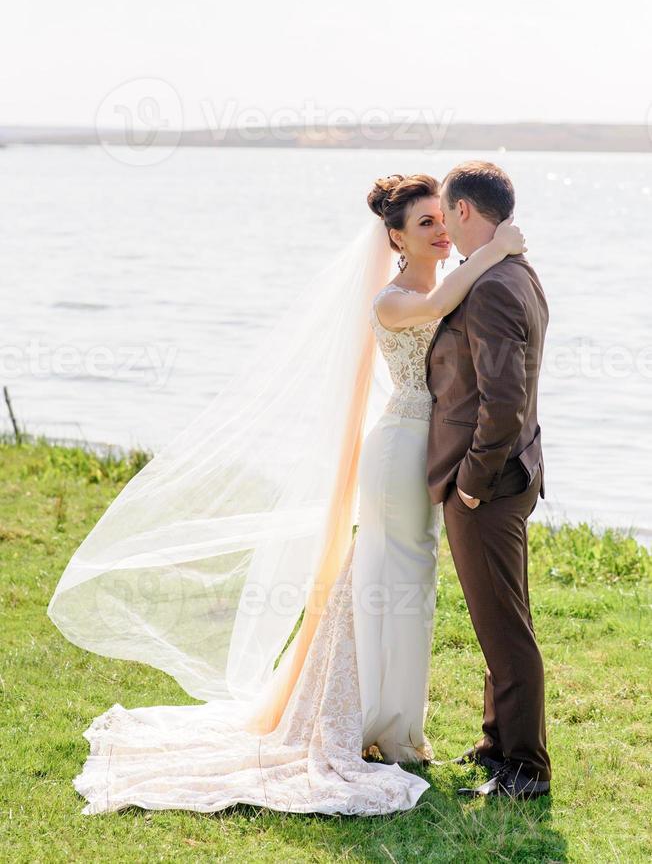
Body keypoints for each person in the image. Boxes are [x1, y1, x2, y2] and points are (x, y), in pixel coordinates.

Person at [47, 171, 525, 816]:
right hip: (397, 452)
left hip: (425, 452)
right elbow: (440, 312)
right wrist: (494, 251)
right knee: (390, 577)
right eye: (425, 225)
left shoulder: (442, 285)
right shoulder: (394, 301)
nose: (441, 232)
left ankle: (395, 725)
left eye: (444, 220)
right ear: (395, 238)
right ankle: (370, 722)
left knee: (409, 587)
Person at [425, 160, 551, 800]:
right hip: (516, 472)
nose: (443, 222)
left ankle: (525, 771)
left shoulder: (495, 285)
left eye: (445, 211)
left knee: (505, 630)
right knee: (502, 619)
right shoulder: (516, 272)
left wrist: (471, 481)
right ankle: (495, 743)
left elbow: (503, 399)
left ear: (465, 210)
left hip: (491, 485)